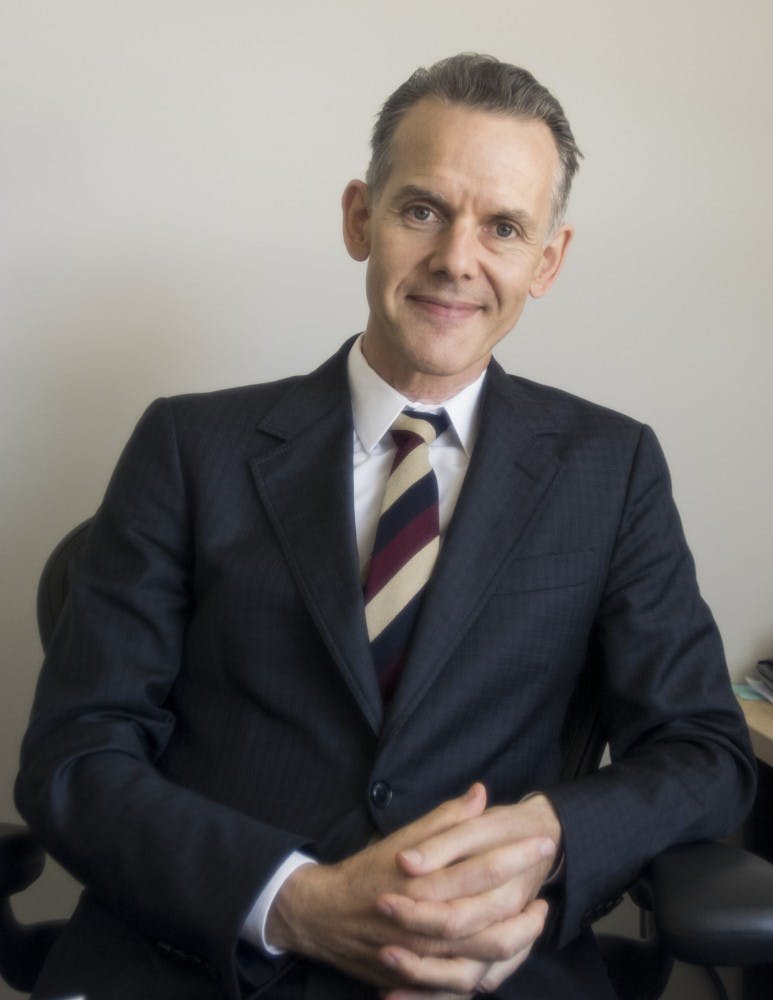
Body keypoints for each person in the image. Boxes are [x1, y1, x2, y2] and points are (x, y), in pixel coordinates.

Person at [15, 54, 755, 1000]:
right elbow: (75, 754)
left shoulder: (610, 471)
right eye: (422, 210)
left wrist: (549, 838)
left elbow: (702, 750)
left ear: (547, 260)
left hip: (484, 969)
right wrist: (292, 900)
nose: (457, 259)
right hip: (202, 957)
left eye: (502, 227)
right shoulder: (186, 446)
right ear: (359, 217)